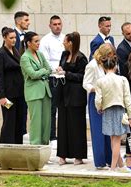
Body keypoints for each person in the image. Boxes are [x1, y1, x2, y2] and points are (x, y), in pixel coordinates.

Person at [95, 56, 131, 172]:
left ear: (103, 67)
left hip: (107, 110)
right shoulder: (122, 79)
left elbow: (98, 99)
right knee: (116, 139)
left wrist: (99, 107)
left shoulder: (100, 81)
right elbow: (127, 99)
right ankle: (116, 167)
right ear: (116, 66)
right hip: (120, 110)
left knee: (113, 139)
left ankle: (116, 167)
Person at [56, 32, 88, 165]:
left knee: (76, 126)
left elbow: (82, 77)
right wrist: (59, 69)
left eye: (65, 40)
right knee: (63, 125)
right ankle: (62, 154)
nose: (63, 42)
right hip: (64, 94)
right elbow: (62, 67)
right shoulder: (64, 55)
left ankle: (78, 155)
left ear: (71, 43)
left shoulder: (81, 58)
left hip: (76, 95)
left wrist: (67, 74)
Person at [83, 44, 114, 169]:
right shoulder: (92, 65)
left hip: (108, 98)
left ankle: (110, 158)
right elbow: (85, 83)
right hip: (95, 97)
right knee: (98, 131)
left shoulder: (106, 64)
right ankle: (100, 161)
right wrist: (95, 89)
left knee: (108, 130)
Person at [0, 27, 25, 144]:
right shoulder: (0, 54)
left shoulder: (16, 51)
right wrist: (2, 96)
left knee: (19, 120)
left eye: (15, 38)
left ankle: (18, 146)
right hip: (8, 94)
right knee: (9, 121)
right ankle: (6, 146)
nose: (13, 40)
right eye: (11, 38)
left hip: (19, 92)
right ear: (4, 38)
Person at [20, 32, 52, 145]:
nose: (38, 43)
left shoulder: (40, 54)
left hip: (45, 91)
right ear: (28, 43)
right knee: (36, 121)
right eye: (36, 41)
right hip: (33, 93)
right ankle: (35, 145)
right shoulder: (25, 57)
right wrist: (43, 71)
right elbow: (33, 74)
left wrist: (42, 72)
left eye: (39, 41)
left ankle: (44, 145)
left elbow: (49, 69)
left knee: (46, 121)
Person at [39, 15, 65, 145]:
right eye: (54, 24)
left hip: (65, 76)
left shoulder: (65, 38)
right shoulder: (45, 40)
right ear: (50, 26)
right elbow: (45, 61)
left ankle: (64, 134)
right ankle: (52, 136)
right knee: (52, 108)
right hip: (53, 77)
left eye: (59, 24)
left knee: (64, 107)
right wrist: (56, 69)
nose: (57, 26)